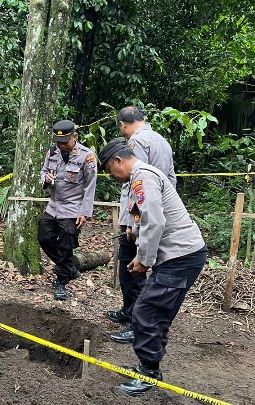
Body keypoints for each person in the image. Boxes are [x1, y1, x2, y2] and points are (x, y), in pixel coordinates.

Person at [98, 138, 206, 395]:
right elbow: (144, 216)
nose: (112, 176)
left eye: (110, 170)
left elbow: (155, 222)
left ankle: (149, 373)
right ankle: (149, 365)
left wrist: (144, 260)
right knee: (155, 313)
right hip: (181, 255)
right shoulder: (141, 177)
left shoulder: (142, 177)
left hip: (179, 256)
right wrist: (134, 235)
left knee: (146, 312)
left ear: (118, 161)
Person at [106, 106, 177, 344]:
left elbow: (132, 183)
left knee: (132, 269)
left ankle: (135, 321)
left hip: (141, 219)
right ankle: (130, 313)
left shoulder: (135, 143)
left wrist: (130, 222)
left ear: (123, 125)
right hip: (158, 213)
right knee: (137, 269)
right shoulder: (163, 141)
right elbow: (170, 179)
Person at [37, 120, 97, 300]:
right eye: (58, 142)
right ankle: (69, 268)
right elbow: (43, 171)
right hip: (53, 205)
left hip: (73, 209)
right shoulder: (52, 152)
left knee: (65, 246)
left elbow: (90, 186)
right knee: (44, 238)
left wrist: (84, 212)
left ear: (75, 137)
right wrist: (45, 178)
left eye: (64, 142)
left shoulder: (87, 156)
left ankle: (61, 282)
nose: (61, 145)